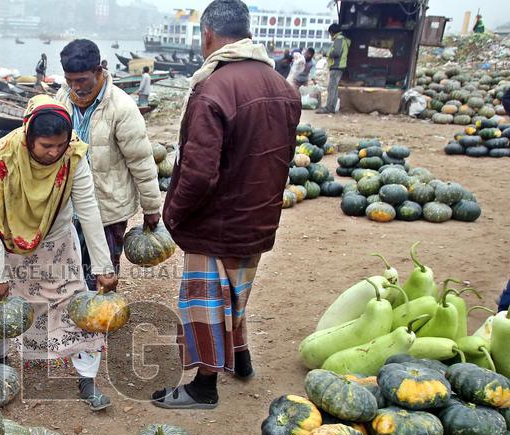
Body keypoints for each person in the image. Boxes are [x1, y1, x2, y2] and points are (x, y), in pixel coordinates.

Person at [152, 0, 300, 409]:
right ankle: (242, 358)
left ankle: (203, 387)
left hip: (215, 222)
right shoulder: (281, 84)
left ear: (208, 36)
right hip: (260, 213)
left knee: (206, 302)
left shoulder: (213, 88)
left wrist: (174, 213)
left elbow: (199, 172)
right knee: (236, 292)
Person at [0, 96, 117, 411]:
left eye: (60, 144)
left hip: (56, 241)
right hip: (7, 240)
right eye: (46, 146)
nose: (54, 152)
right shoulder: (0, 158)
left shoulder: (74, 155)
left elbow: (89, 210)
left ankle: (87, 379)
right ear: (28, 137)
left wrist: (102, 266)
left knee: (79, 305)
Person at [56, 38, 162, 288]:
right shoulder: (62, 98)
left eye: (81, 80)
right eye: (70, 80)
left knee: (102, 274)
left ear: (98, 70)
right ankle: (72, 321)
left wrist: (151, 207)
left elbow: (141, 161)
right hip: (68, 206)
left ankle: (99, 323)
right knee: (69, 269)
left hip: (107, 208)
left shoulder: (121, 107)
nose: (75, 87)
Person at [318, 23, 350, 114]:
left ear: (332, 32)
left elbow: (336, 53)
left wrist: (326, 54)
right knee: (334, 88)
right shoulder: (342, 39)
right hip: (339, 66)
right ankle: (331, 107)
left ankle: (329, 108)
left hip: (336, 66)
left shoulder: (339, 40)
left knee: (332, 88)